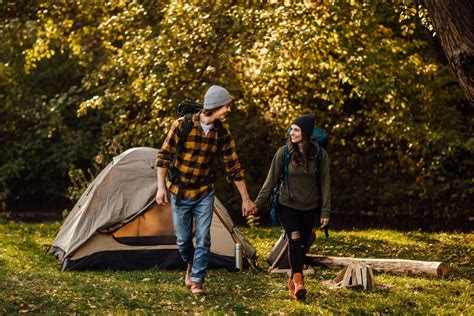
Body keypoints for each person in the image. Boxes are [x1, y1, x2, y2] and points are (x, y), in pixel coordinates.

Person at [156, 85, 256, 295]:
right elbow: (163, 157)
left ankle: (197, 280)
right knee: (183, 239)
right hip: (179, 191)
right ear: (215, 106)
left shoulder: (222, 134)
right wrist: (160, 188)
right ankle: (191, 263)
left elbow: (234, 167)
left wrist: (246, 199)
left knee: (203, 237)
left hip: (204, 192)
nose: (228, 110)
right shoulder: (182, 126)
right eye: (226, 106)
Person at [254, 114, 330, 301]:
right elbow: (270, 181)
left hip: (309, 206)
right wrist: (257, 204)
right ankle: (299, 280)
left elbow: (325, 184)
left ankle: (292, 280)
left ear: (306, 132)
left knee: (302, 244)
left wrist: (325, 211)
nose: (291, 133)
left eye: (296, 129)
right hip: (286, 204)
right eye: (291, 129)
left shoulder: (320, 155)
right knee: (294, 238)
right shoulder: (283, 153)